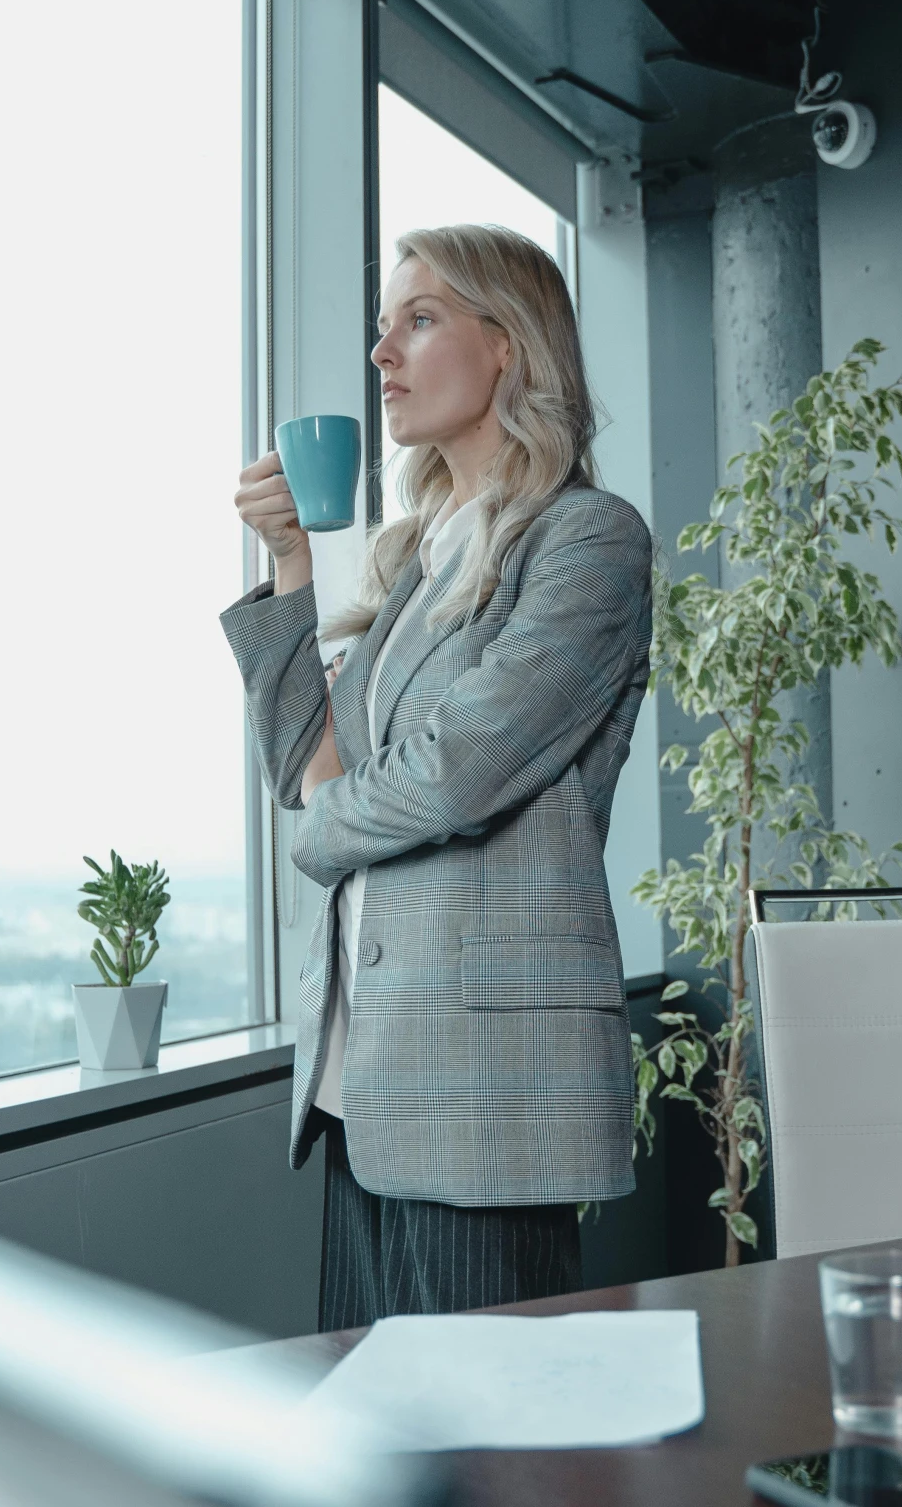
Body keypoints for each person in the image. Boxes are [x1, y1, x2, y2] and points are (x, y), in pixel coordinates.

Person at [222, 224, 652, 1330]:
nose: (383, 356)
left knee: (488, 1461)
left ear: (507, 346)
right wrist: (289, 572)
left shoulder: (587, 540)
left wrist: (321, 832)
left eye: (418, 320)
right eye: (382, 328)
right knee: (377, 1444)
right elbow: (304, 764)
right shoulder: (417, 559)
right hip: (364, 1074)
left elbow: (457, 772)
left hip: (485, 1083)